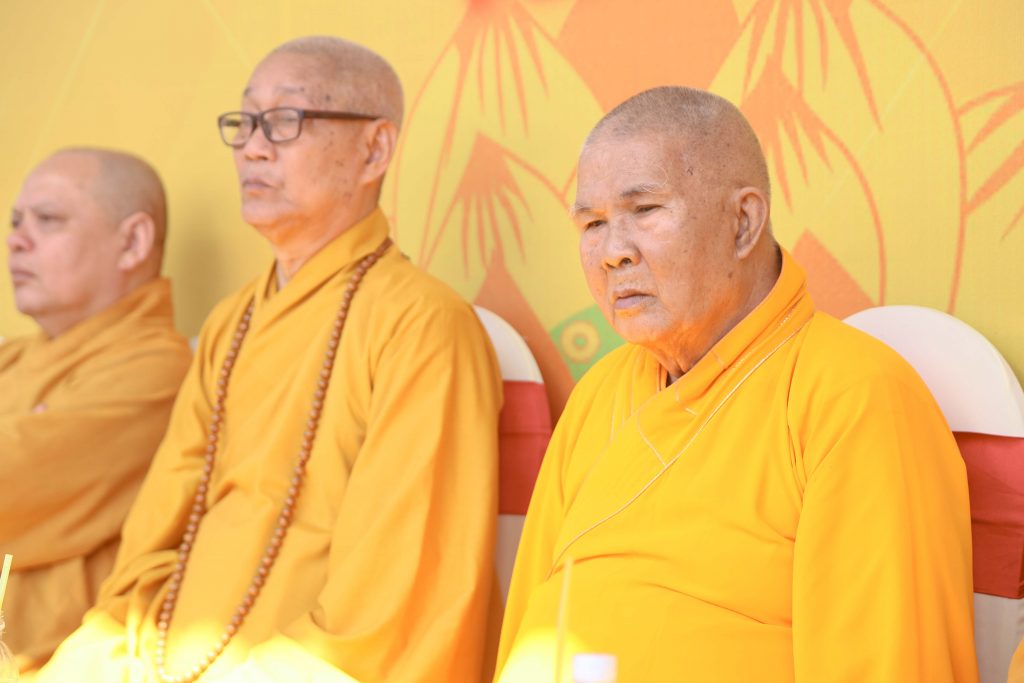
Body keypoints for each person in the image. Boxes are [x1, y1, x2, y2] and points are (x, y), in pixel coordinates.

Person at [35, 36, 502, 683]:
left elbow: (395, 600)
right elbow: (147, 554)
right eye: (246, 122)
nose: (252, 147)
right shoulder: (230, 325)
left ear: (374, 149)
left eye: (284, 120)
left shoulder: (422, 324)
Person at [494, 87, 978, 682]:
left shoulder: (851, 395)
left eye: (645, 210)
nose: (612, 253)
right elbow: (529, 615)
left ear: (743, 223)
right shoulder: (600, 394)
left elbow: (884, 665)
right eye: (592, 223)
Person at [1, 148, 191, 673]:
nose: (16, 240)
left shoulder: (157, 371)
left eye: (48, 220)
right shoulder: (15, 358)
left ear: (133, 242)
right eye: (16, 222)